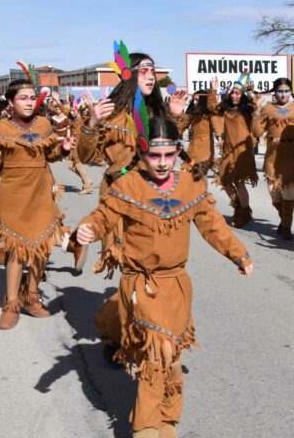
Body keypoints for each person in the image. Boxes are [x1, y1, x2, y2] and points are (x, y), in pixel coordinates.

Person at [75, 118, 253, 438]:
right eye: (154, 156)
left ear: (177, 152)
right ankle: (144, 424)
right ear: (142, 154)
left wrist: (239, 255)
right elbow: (102, 216)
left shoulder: (190, 185)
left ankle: (169, 421)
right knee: (159, 348)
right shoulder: (127, 187)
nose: (161, 163)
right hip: (140, 282)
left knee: (172, 356)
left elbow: (212, 225)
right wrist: (87, 229)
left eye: (169, 155)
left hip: (177, 284)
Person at [0, 79, 74, 328]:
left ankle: (31, 296)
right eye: (23, 98)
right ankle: (11, 305)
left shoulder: (43, 124)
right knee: (17, 252)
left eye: (32, 98)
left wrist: (63, 148)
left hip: (41, 194)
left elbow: (48, 155)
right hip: (13, 197)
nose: (29, 102)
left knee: (42, 248)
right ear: (10, 102)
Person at [77, 52, 189, 275]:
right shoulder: (111, 113)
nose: (150, 76)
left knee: (154, 258)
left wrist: (175, 116)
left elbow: (169, 147)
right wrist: (92, 122)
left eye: (153, 71)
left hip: (155, 194)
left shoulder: (159, 111)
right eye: (144, 71)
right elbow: (86, 156)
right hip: (120, 193)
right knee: (128, 260)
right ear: (130, 75)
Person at [253, 77, 294, 237]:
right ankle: (284, 219)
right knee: (273, 192)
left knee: (288, 192)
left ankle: (287, 227)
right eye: (280, 91)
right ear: (275, 92)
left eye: (286, 91)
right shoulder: (267, 108)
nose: (283, 94)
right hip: (273, 156)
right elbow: (257, 133)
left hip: (291, 155)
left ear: (291, 91)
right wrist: (256, 112)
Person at [216, 76, 259, 227]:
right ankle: (239, 208)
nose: (234, 95)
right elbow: (213, 112)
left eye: (238, 93)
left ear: (242, 95)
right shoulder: (225, 109)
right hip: (228, 150)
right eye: (233, 93)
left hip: (243, 151)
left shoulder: (246, 110)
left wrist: (251, 93)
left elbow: (255, 110)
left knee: (239, 183)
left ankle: (245, 213)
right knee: (224, 180)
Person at [183, 77, 224, 175]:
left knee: (196, 174)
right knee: (190, 175)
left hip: (204, 146)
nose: (194, 102)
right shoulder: (192, 113)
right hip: (192, 146)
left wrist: (219, 137)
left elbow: (216, 124)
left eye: (197, 100)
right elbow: (180, 126)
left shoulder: (209, 113)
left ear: (202, 100)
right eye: (193, 100)